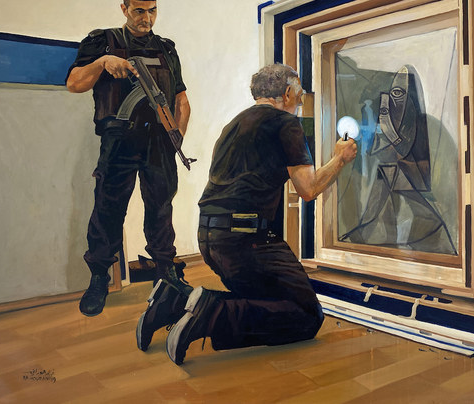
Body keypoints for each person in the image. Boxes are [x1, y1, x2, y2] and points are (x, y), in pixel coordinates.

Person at [135, 63, 357, 364]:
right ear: (287, 94)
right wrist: (340, 159)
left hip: (210, 238)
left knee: (266, 300)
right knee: (306, 315)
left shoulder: (233, 125)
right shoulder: (286, 123)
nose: (301, 101)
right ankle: (210, 312)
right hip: (246, 241)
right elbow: (308, 189)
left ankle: (173, 300)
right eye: (300, 95)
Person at [66, 0, 191, 317]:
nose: (146, 18)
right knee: (108, 209)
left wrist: (176, 136)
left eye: (152, 11)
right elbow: (74, 84)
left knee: (161, 208)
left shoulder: (166, 48)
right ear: (124, 8)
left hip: (159, 143)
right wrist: (102, 62)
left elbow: (181, 99)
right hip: (119, 140)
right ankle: (98, 277)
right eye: (138, 11)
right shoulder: (102, 41)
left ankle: (165, 273)